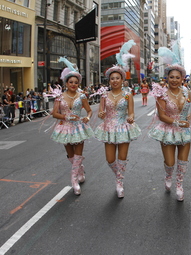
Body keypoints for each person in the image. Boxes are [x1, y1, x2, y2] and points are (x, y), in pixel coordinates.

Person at [148, 46, 191, 201]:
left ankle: (179, 185)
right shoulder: (162, 94)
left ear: (182, 78)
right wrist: (178, 122)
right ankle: (168, 175)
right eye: (171, 77)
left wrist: (190, 118)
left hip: (185, 131)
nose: (174, 80)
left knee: (183, 161)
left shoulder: (186, 92)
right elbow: (161, 116)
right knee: (170, 162)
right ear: (167, 78)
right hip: (168, 130)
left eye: (177, 77)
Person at [94, 39, 140, 198]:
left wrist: (131, 118)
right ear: (109, 81)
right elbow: (101, 112)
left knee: (122, 158)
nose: (114, 81)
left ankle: (119, 182)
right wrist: (101, 115)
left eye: (117, 78)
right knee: (109, 159)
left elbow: (131, 112)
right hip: (108, 128)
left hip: (123, 127)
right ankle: (118, 175)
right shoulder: (104, 96)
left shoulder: (128, 95)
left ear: (122, 80)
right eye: (112, 79)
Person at [51, 57, 94, 195]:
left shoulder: (82, 96)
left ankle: (74, 181)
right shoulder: (59, 97)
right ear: (66, 83)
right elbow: (54, 113)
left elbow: (89, 110)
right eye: (71, 82)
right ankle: (80, 169)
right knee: (71, 156)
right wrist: (65, 116)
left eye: (76, 82)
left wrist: (87, 117)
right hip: (65, 128)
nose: (74, 84)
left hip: (79, 128)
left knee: (78, 154)